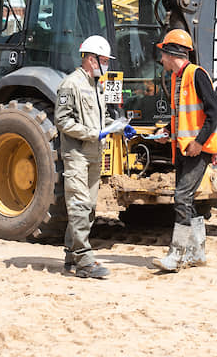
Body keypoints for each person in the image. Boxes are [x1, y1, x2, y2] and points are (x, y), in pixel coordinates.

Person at [54, 34, 135, 279]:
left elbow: (102, 119)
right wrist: (93, 133)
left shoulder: (96, 86)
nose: (106, 64)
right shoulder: (71, 84)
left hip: (93, 155)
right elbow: (62, 120)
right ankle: (85, 262)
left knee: (88, 208)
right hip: (77, 154)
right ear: (90, 59)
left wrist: (118, 126)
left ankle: (71, 254)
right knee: (78, 205)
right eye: (103, 60)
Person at [153, 29, 217, 272]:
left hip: (196, 150)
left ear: (172, 53)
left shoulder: (196, 75)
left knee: (181, 198)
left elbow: (215, 112)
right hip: (183, 149)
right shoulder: (177, 78)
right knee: (187, 200)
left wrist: (200, 142)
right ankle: (197, 252)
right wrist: (167, 133)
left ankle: (176, 255)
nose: (161, 59)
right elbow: (182, 117)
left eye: (163, 54)